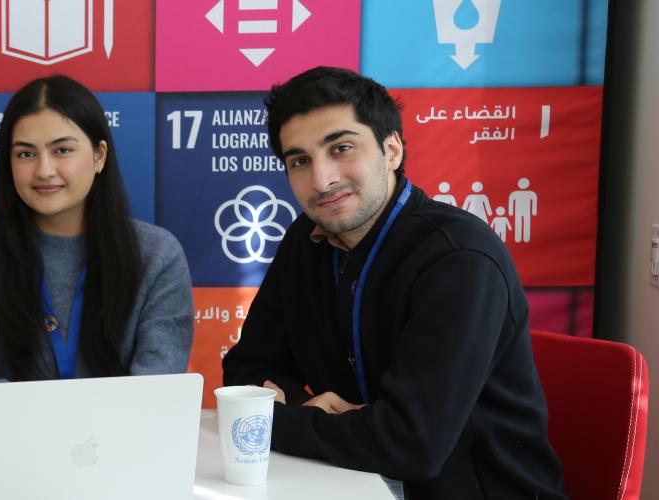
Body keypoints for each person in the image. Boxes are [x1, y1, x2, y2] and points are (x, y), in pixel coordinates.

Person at [222, 66, 565, 499]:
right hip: (352, 481)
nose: (322, 179)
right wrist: (319, 412)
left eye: (341, 148)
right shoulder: (304, 240)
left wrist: (281, 422)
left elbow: (411, 445)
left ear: (392, 150)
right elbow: (248, 366)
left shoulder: (458, 258)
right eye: (300, 161)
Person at [0, 75, 195, 423]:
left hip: (118, 453)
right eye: (25, 153)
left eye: (62, 150)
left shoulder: (157, 256)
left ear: (99, 156)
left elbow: (156, 388)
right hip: (2, 451)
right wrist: (58, 430)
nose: (44, 170)